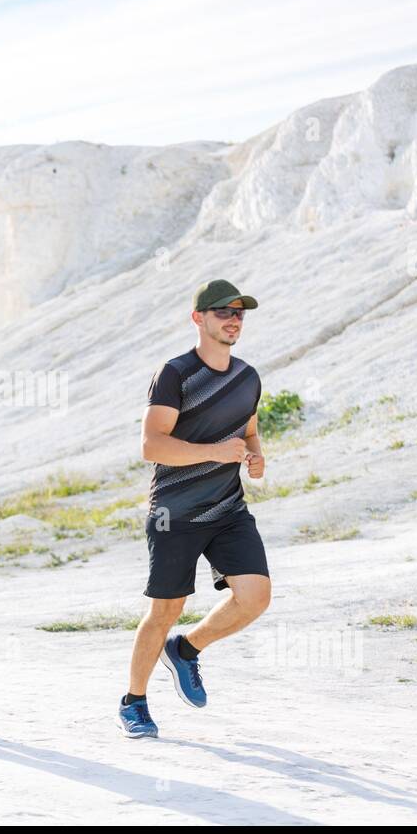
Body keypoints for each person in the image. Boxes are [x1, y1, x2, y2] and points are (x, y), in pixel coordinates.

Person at [118, 279, 271, 738]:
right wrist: (212, 452)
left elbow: (247, 431)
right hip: (174, 513)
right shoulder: (175, 374)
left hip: (227, 510)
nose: (233, 319)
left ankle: (186, 650)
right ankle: (134, 702)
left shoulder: (248, 376)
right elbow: (152, 446)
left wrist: (255, 454)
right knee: (165, 609)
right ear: (198, 318)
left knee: (256, 596)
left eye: (240, 312)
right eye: (223, 311)